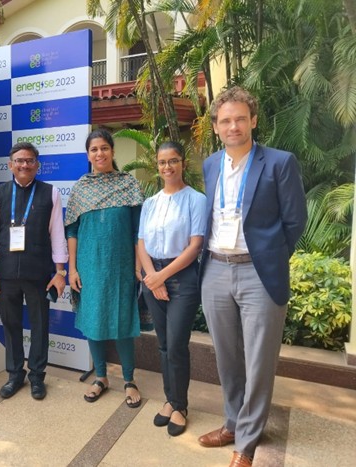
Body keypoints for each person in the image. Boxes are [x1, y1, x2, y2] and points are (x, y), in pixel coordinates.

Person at [197, 87, 307, 467]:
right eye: (226, 120)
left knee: (259, 362)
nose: (233, 126)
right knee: (227, 358)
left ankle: (245, 443)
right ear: (216, 126)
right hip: (215, 268)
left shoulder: (279, 162)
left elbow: (295, 221)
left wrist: (269, 257)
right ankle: (233, 423)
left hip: (258, 272)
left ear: (253, 121)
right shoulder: (211, 165)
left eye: (240, 119)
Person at [65, 129, 144, 408]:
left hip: (121, 266)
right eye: (94, 149)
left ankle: (129, 380)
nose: (99, 153)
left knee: (123, 322)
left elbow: (138, 231)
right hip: (88, 267)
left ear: (112, 151)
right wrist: (72, 269)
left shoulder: (128, 184)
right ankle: (100, 377)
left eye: (104, 148)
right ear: (88, 155)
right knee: (93, 320)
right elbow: (72, 231)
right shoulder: (80, 188)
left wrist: (138, 267)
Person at [0, 142, 68, 400]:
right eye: (19, 161)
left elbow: (57, 233)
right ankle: (14, 375)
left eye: (29, 160)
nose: (24, 165)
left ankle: (37, 376)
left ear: (37, 165)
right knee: (11, 325)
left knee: (40, 326)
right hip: (6, 273)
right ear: (10, 165)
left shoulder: (50, 193)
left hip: (39, 274)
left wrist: (60, 272)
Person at [137, 141, 206, 437]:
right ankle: (170, 400)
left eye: (173, 161)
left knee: (177, 344)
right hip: (153, 276)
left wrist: (161, 277)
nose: (168, 167)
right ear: (157, 166)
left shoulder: (196, 200)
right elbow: (141, 243)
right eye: (163, 162)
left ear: (183, 163)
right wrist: (153, 277)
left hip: (182, 278)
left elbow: (195, 245)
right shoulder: (150, 203)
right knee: (163, 344)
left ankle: (180, 407)